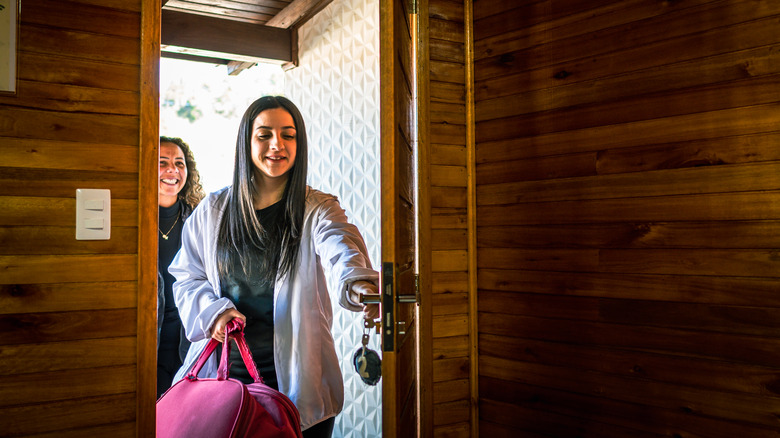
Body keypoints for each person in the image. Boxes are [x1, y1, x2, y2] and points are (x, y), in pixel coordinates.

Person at [169, 96, 379, 437]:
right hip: (224, 384)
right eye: (264, 134)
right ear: (246, 142)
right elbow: (187, 276)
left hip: (297, 386)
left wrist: (357, 281)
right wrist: (213, 312)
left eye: (288, 134)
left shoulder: (317, 209)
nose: (277, 145)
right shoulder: (213, 210)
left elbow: (340, 244)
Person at [157, 136, 205, 398]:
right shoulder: (133, 215)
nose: (173, 170)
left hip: (189, 334)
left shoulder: (200, 217)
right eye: (162, 163)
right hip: (149, 333)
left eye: (179, 163)